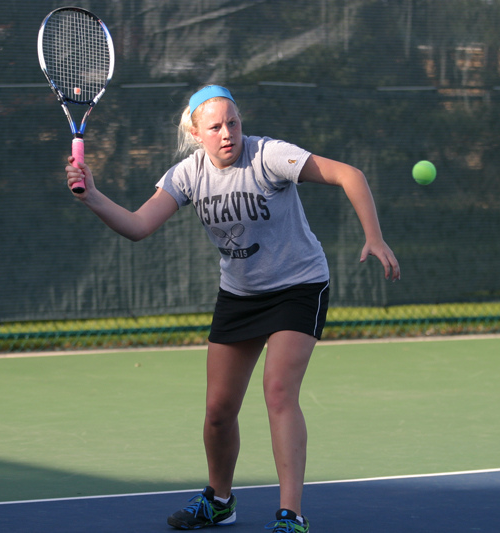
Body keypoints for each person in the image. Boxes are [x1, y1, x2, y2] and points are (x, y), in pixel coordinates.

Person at [64, 85, 400, 532]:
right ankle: (220, 501)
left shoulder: (269, 156)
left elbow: (350, 175)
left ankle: (291, 515)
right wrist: (92, 197)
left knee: (278, 392)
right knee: (218, 411)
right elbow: (138, 225)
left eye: (233, 123)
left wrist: (373, 237)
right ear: (196, 133)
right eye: (216, 126)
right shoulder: (187, 175)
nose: (227, 133)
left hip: (298, 286)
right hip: (240, 295)